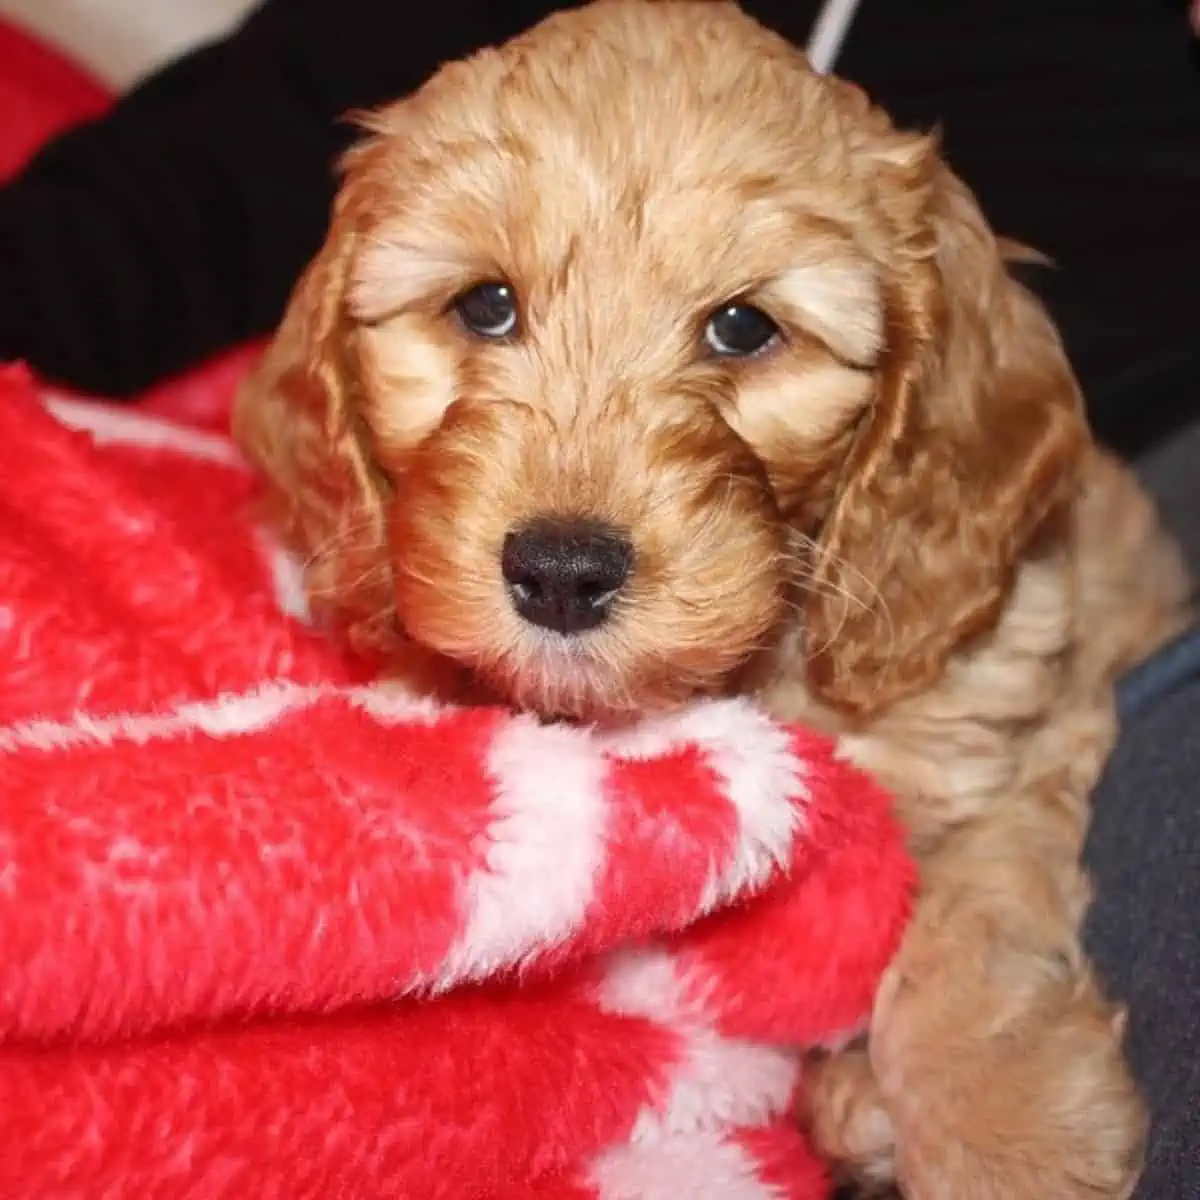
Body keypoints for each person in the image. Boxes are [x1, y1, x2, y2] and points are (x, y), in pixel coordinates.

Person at [0, 1, 1196, 1194]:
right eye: (485, 308)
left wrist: (963, 1021)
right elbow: (158, 194)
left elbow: (1011, 785)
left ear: (907, 401)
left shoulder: (942, 637)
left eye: (742, 329)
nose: (573, 520)